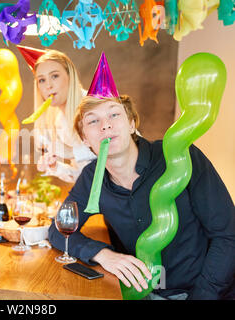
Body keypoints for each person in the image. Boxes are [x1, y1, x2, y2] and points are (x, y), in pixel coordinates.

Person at [48, 93, 235, 300]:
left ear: (131, 124)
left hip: (202, 291)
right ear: (84, 139)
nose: (105, 126)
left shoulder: (181, 156)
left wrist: (203, 295)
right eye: (93, 120)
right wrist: (103, 255)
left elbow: (227, 236)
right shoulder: (92, 178)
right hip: (141, 294)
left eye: (114, 115)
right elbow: (58, 230)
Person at [17, 46, 96, 184]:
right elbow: (84, 176)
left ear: (70, 77)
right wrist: (56, 167)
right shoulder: (60, 120)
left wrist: (72, 152)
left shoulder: (95, 104)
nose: (48, 86)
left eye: (54, 76)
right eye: (42, 80)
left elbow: (116, 148)